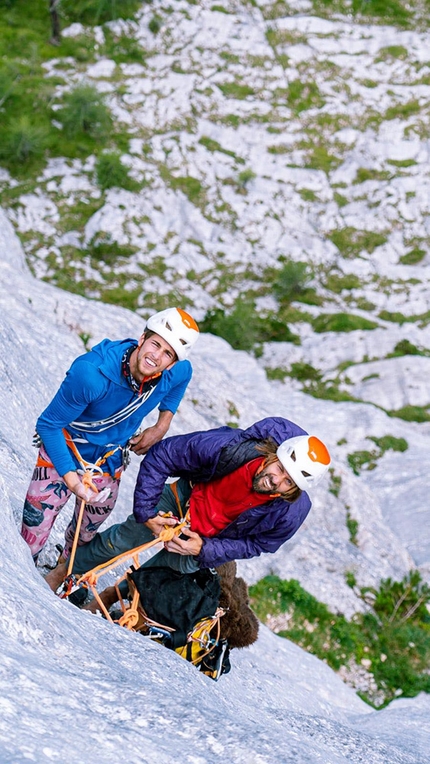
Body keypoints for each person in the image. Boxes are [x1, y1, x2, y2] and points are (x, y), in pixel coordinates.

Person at [49, 417, 330, 589]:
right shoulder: (228, 447)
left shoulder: (291, 513)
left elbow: (258, 544)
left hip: (208, 537)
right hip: (186, 497)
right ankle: (65, 571)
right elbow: (163, 456)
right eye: (280, 469)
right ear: (273, 455)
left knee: (158, 578)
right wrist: (147, 513)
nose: (276, 480)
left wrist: (205, 548)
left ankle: (106, 599)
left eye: (288, 482)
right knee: (124, 539)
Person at [21, 307, 199, 567]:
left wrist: (161, 426)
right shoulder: (91, 375)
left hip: (108, 462)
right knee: (32, 534)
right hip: (65, 450)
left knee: (85, 535)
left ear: (172, 363)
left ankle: (63, 572)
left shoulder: (174, 373)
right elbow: (49, 425)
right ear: (142, 338)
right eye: (155, 344)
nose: (156, 356)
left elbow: (184, 377)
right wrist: (74, 483)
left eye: (167, 353)